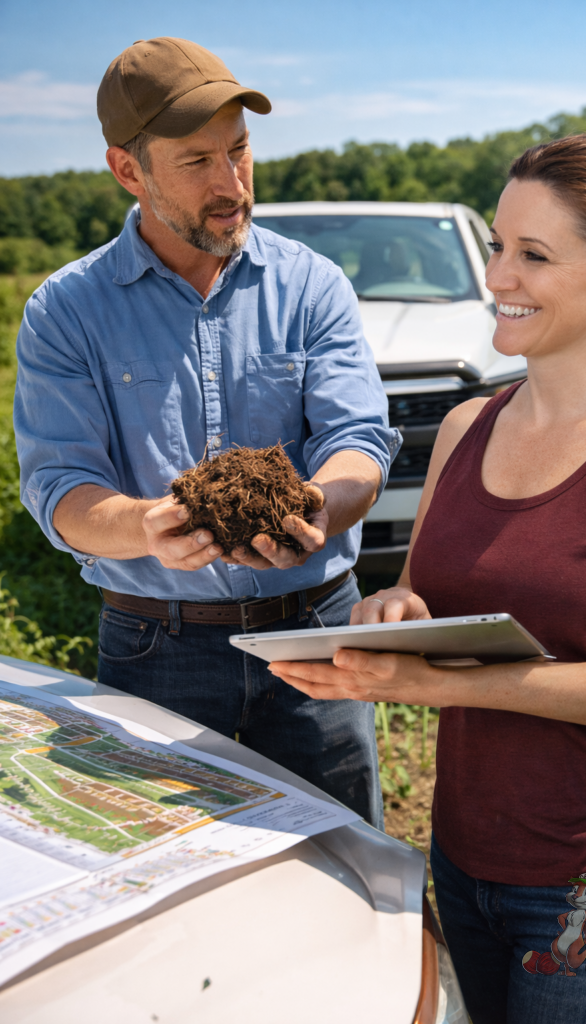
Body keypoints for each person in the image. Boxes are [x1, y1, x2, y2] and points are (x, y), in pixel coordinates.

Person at [269, 134, 586, 1022]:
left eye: (534, 256)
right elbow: (423, 594)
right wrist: (393, 611)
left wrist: (446, 683)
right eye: (498, 245)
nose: (498, 277)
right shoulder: (466, 427)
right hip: (462, 862)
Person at [14, 37, 400, 829]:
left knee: (338, 865)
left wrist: (321, 508)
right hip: (155, 645)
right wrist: (151, 529)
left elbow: (357, 436)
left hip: (314, 633)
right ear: (129, 170)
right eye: (196, 162)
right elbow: (60, 488)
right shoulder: (66, 310)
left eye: (240, 151)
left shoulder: (312, 285)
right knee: (155, 866)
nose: (231, 185)